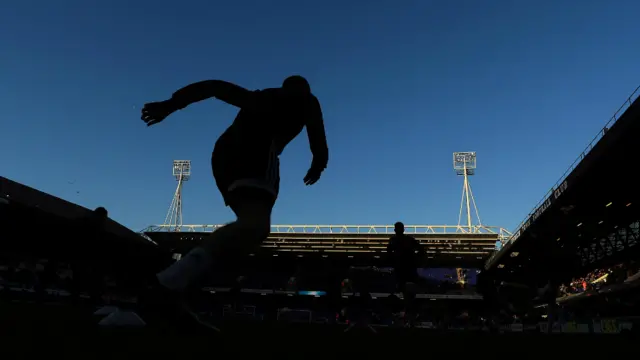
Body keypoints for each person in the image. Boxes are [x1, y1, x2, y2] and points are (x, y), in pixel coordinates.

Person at [138, 75, 328, 330]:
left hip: (225, 155)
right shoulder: (286, 101)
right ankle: (167, 284)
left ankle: (176, 290)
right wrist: (319, 160)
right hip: (254, 155)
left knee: (251, 230)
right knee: (254, 226)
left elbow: (215, 87)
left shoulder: (266, 99)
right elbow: (216, 88)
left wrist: (172, 104)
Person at [386, 222, 425, 320]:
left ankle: (407, 311)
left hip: (403, 270)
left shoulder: (395, 240)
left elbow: (388, 253)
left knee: (405, 291)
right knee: (408, 292)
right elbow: (421, 250)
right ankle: (409, 312)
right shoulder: (408, 240)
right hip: (407, 269)